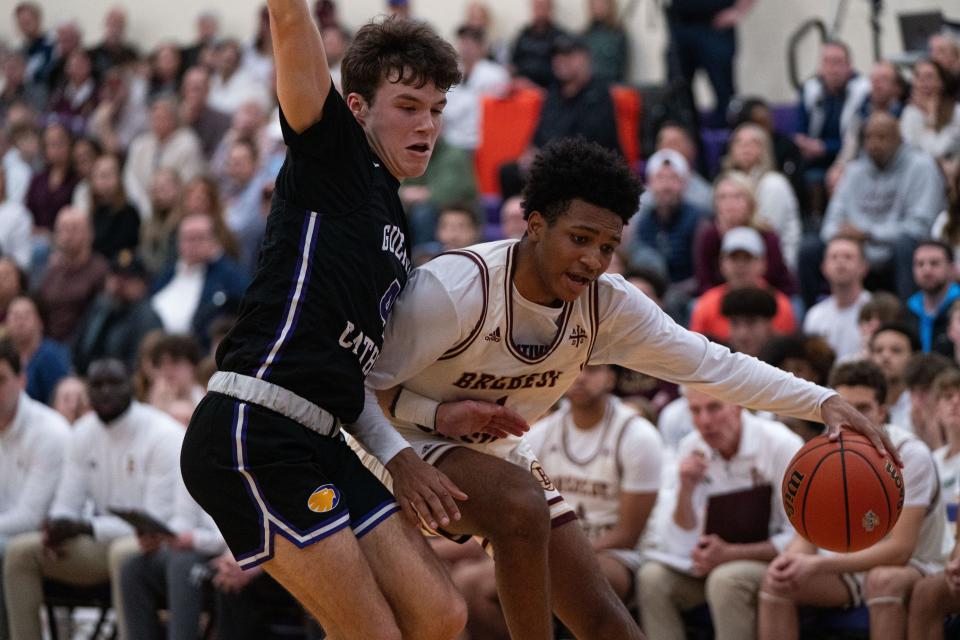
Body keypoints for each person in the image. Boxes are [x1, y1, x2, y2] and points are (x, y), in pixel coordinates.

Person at [353, 138, 897, 640]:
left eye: (608, 246)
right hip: (385, 440)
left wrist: (823, 400)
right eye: (580, 239)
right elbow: (353, 388)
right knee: (521, 507)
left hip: (482, 449)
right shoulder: (455, 290)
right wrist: (424, 426)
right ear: (536, 224)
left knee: (603, 617)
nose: (593, 259)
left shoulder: (607, 305)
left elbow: (714, 365)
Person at [179, 4, 471, 639]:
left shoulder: (397, 221)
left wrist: (397, 456)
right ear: (358, 108)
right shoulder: (334, 156)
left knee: (441, 614)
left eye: (437, 109)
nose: (427, 124)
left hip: (325, 435)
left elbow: (351, 374)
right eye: (408, 106)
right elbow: (288, 23)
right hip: (254, 426)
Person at [455, 364, 662, 638]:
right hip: (554, 546)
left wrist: (565, 554)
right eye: (577, 370)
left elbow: (628, 535)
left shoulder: (638, 435)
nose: (581, 378)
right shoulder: (541, 431)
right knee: (469, 583)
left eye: (593, 370)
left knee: (570, 578)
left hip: (619, 556)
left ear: (611, 378)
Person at [758, 360, 947, 640]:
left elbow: (900, 550)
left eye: (863, 409)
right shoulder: (826, 450)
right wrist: (790, 561)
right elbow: (809, 532)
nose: (852, 419)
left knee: (883, 580)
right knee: (776, 582)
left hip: (916, 565)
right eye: (845, 408)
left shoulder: (910, 454)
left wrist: (818, 565)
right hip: (851, 564)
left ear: (883, 411)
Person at [3, 358, 184, 640]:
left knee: (123, 554)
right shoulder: (82, 432)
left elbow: (154, 524)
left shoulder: (163, 434)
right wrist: (57, 528)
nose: (105, 392)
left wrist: (85, 527)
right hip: (101, 543)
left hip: (155, 546)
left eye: (114, 383)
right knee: (20, 552)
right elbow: (67, 504)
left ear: (132, 386)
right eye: (97, 385)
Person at [638, 388, 803, 640]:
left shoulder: (780, 444)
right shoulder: (691, 447)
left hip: (771, 564)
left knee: (726, 579)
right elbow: (677, 543)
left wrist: (731, 554)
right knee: (652, 578)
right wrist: (685, 489)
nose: (704, 420)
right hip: (712, 564)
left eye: (714, 408)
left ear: (738, 406)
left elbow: (800, 535)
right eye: (695, 410)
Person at [0, 337, 70, 640]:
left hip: (53, 543)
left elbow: (29, 517)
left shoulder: (49, 431)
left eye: (0, 380)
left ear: (22, 379)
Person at [664, 0, 755, 125]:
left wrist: (738, 11)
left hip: (715, 23)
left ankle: (726, 135)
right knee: (678, 90)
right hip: (680, 21)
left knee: (723, 88)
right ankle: (686, 133)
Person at [803, 234, 871, 361]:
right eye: (834, 257)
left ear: (863, 267)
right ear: (823, 268)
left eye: (848, 257)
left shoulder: (875, 310)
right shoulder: (815, 315)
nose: (840, 261)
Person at [904, 240, 960, 355]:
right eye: (920, 264)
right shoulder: (907, 310)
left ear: (952, 268)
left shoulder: (958, 307)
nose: (926, 270)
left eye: (934, 263)